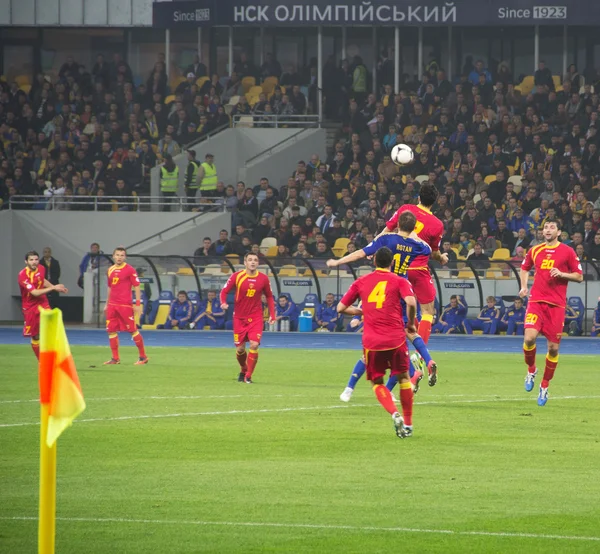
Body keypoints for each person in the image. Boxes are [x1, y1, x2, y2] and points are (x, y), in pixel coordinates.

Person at [328, 211, 437, 399]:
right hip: (403, 288)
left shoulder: (386, 240)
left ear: (397, 225)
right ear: (412, 228)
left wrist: (338, 261)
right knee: (408, 334)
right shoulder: (417, 245)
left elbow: (360, 253)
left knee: (375, 340)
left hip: (384, 288)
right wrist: (413, 234)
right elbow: (428, 248)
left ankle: (351, 388)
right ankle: (426, 361)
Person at [336, 247, 417, 438]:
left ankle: (393, 412)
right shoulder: (399, 280)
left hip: (372, 342)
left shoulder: (361, 281)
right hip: (396, 339)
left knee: (377, 382)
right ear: (392, 263)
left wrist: (362, 312)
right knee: (404, 378)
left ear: (374, 262)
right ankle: (409, 424)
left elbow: (340, 307)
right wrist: (411, 324)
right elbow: (412, 303)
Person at [519, 219, 583, 406]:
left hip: (556, 306)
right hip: (536, 302)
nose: (548, 230)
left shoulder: (567, 251)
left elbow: (579, 276)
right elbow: (524, 268)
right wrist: (524, 287)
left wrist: (562, 274)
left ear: (559, 232)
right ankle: (531, 370)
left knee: (553, 349)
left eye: (552, 227)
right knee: (529, 338)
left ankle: (545, 385)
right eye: (546, 227)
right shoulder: (535, 250)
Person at [376, 183, 447, 345]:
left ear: (419, 197)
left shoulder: (405, 209)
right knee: (428, 311)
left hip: (398, 268)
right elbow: (433, 252)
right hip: (419, 268)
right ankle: (420, 356)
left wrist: (375, 247)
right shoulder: (437, 225)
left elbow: (386, 231)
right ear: (434, 201)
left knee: (401, 307)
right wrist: (442, 258)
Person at [220, 252, 275, 383]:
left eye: (255, 260)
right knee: (240, 349)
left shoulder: (263, 278)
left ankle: (248, 375)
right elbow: (224, 291)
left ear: (258, 263)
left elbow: (269, 296)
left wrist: (273, 314)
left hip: (256, 317)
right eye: (250, 260)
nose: (253, 262)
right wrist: (223, 302)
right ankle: (243, 368)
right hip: (239, 317)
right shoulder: (237, 276)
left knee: (254, 345)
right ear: (245, 263)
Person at [18, 250, 68, 359]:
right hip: (30, 306)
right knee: (35, 336)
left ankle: (54, 354)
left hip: (42, 302)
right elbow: (35, 292)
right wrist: (53, 288)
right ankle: (41, 360)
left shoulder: (41, 268)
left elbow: (42, 280)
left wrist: (56, 288)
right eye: (31, 260)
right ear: (26, 261)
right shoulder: (23, 275)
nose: (34, 262)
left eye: (36, 259)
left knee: (52, 323)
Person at [103, 247, 148, 365]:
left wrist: (138, 304)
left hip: (125, 305)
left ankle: (143, 357)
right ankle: (115, 358)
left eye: (122, 255)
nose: (119, 257)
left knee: (132, 329)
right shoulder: (110, 270)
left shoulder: (130, 270)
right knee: (111, 330)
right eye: (117, 255)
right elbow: (109, 287)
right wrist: (107, 304)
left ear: (125, 257)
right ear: (113, 256)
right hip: (112, 305)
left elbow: (137, 286)